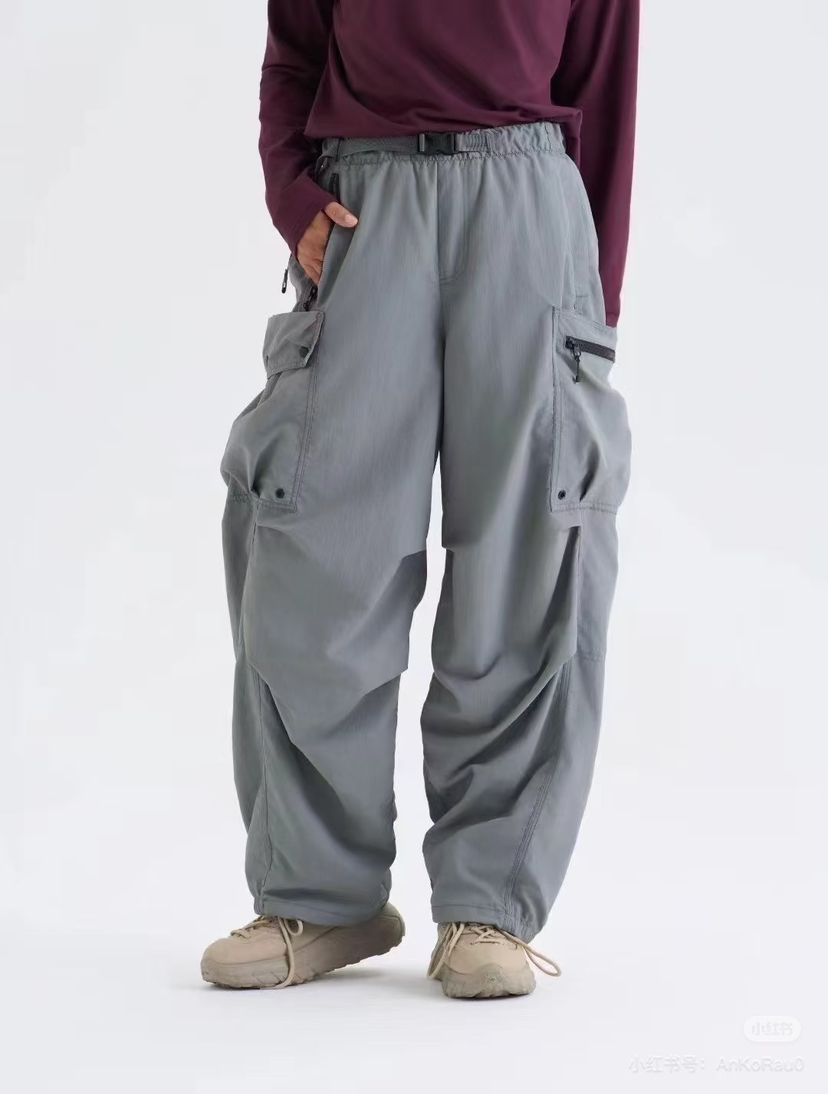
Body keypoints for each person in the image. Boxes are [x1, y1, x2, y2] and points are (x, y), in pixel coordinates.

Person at [202, 0, 639, 999]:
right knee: (316, 549)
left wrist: (592, 305)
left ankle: (490, 901)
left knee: (531, 555)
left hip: (529, 207)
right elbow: (295, 54)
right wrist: (293, 196)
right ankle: (321, 894)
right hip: (365, 208)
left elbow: (606, 89)